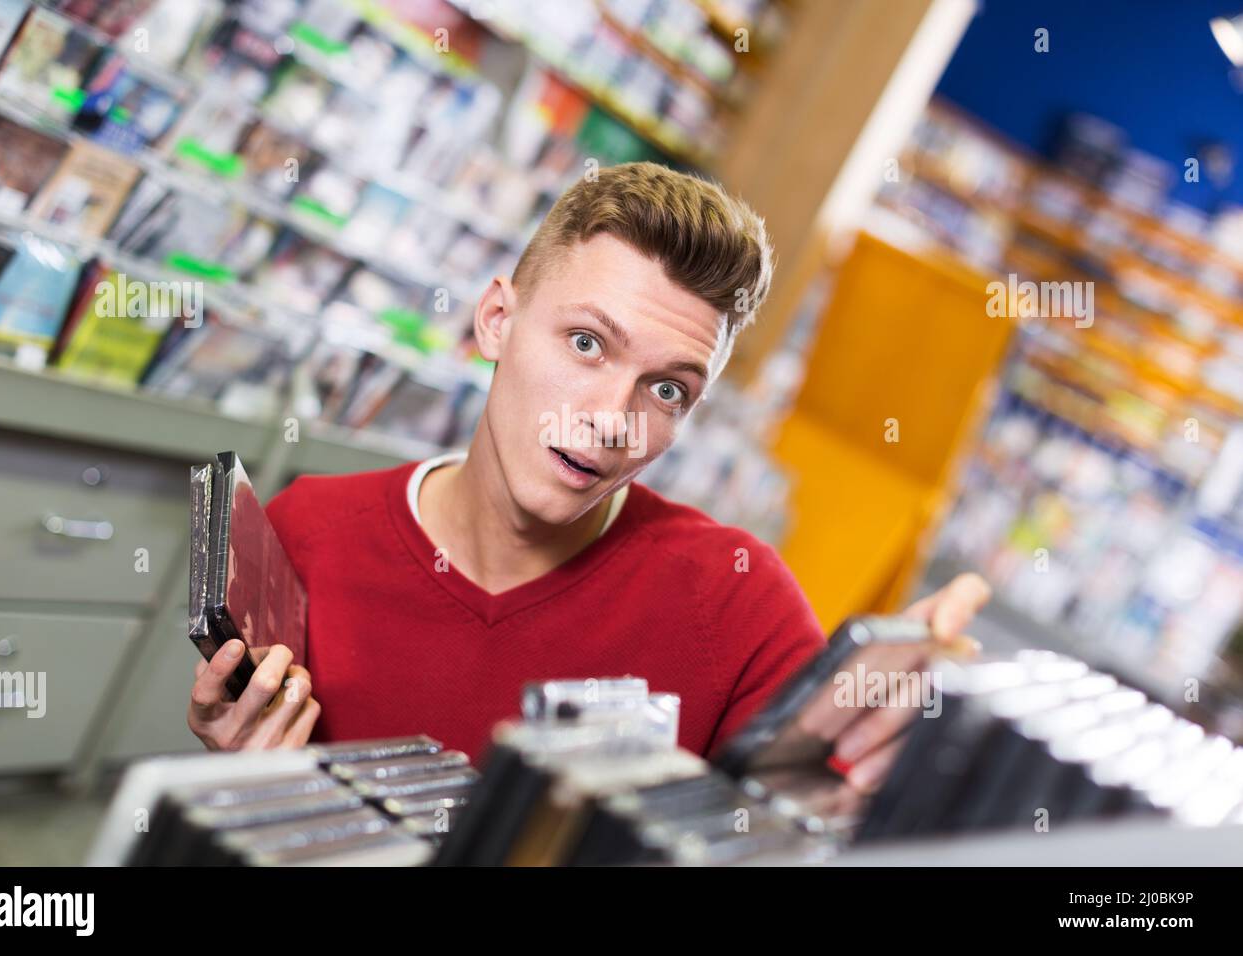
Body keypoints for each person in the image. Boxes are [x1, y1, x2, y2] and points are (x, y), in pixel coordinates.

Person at [187, 161, 991, 790]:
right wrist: (238, 764)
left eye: (667, 388)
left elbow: (795, 818)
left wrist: (901, 769)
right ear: (497, 319)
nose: (613, 417)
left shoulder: (739, 606)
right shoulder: (306, 534)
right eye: (586, 344)